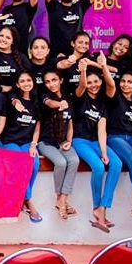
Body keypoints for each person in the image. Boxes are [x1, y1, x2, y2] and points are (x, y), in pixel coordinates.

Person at [71, 55, 122, 232]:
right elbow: (81, 86)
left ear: (100, 81)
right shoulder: (80, 97)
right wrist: (83, 71)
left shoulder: (103, 102)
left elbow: (102, 129)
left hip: (95, 141)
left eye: (96, 81)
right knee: (98, 167)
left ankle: (103, 207)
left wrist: (104, 152)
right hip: (80, 140)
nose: (93, 85)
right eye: (90, 82)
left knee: (116, 163)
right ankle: (96, 206)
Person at [0, 71, 42, 223]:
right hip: (10, 140)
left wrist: (33, 144)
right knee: (21, 163)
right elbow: (13, 100)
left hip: (27, 141)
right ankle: (29, 200)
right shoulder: (12, 97)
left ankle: (24, 196)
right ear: (17, 84)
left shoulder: (36, 101)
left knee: (35, 163)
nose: (26, 83)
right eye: (22, 81)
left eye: (28, 80)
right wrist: (17, 103)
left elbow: (37, 127)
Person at [38, 69, 80, 220]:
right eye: (47, 81)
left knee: (74, 160)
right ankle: (58, 197)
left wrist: (69, 141)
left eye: (54, 80)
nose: (51, 84)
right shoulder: (44, 96)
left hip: (62, 141)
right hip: (45, 141)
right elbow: (50, 103)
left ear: (61, 80)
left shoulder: (69, 97)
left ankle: (63, 199)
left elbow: (70, 124)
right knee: (61, 162)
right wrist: (60, 104)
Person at [105, 70, 132, 213]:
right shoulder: (115, 96)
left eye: (130, 82)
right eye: (123, 81)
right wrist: (104, 66)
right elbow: (111, 84)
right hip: (116, 137)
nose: (125, 84)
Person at [55, 31, 98, 95]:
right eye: (80, 42)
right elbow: (60, 65)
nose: (83, 45)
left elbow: (105, 68)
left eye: (86, 43)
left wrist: (91, 63)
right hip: (67, 96)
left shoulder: (90, 59)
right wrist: (69, 61)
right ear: (73, 43)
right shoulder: (63, 58)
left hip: (86, 97)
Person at [0, 26, 30, 92]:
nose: (3, 39)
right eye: (1, 35)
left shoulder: (22, 57)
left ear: (13, 41)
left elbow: (29, 79)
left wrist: (12, 88)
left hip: (17, 94)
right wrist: (0, 88)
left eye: (8, 38)